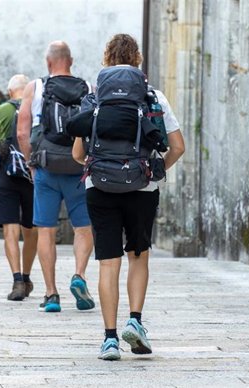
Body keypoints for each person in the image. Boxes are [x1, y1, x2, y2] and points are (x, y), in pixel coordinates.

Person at [71, 34, 185, 360]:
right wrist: (155, 169)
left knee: (109, 262)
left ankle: (109, 339)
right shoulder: (153, 97)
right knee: (138, 255)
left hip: (100, 187)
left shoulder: (94, 98)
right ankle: (135, 321)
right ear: (138, 60)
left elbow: (79, 153)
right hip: (142, 187)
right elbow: (177, 146)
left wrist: (97, 164)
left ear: (106, 59)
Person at [17, 41, 95, 313]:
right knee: (84, 228)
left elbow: (22, 132)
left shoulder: (35, 87)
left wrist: (31, 163)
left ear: (49, 63)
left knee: (46, 231)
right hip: (77, 168)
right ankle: (79, 275)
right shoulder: (87, 87)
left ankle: (51, 294)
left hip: (47, 167)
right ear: (70, 61)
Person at [0, 74, 38, 301]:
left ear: (9, 91)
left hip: (7, 174)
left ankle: (17, 281)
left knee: (10, 229)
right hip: (33, 174)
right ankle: (26, 275)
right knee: (30, 228)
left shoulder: (0, 111)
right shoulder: (35, 108)